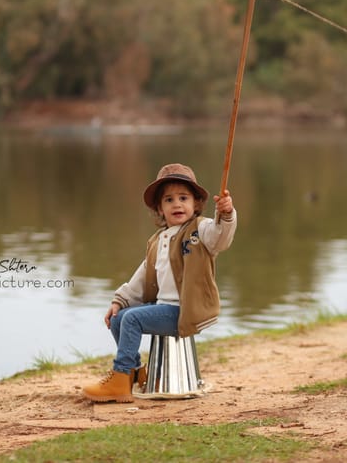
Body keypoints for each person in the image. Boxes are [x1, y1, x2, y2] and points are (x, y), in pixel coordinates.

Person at [82, 163, 237, 402]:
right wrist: (120, 300)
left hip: (184, 312)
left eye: (183, 198)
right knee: (120, 317)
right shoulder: (158, 240)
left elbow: (221, 237)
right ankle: (134, 373)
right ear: (159, 209)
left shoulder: (201, 231)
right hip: (162, 308)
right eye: (169, 200)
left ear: (196, 204)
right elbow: (142, 276)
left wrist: (225, 214)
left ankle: (119, 379)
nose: (177, 204)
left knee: (132, 319)